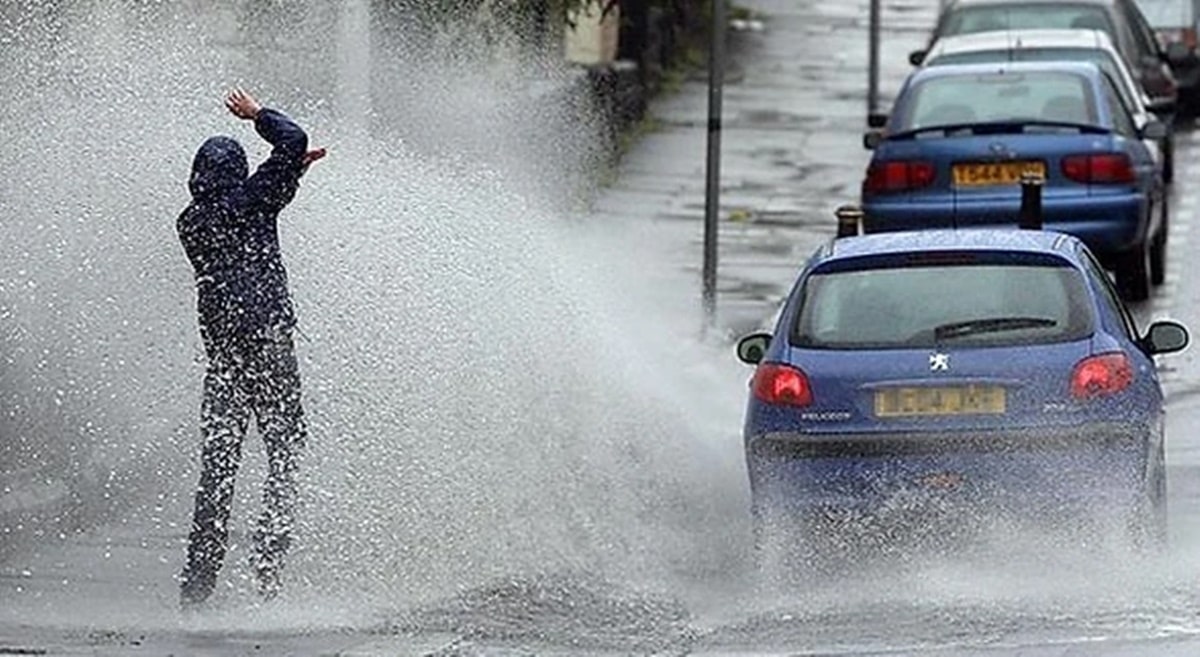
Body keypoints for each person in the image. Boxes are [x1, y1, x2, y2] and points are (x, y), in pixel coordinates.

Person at [177, 88, 325, 606]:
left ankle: (196, 590)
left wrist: (290, 174)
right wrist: (258, 115)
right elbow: (293, 140)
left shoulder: (190, 222)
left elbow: (258, 206)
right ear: (239, 172)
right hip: (268, 346)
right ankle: (268, 572)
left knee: (217, 471)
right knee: (284, 455)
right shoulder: (251, 201)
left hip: (224, 361)